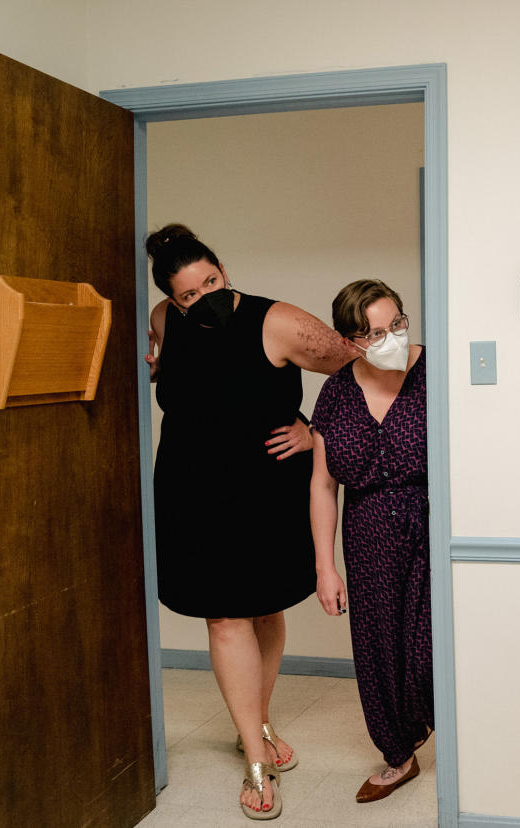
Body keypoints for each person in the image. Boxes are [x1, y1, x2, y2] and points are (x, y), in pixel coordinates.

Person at [145, 224, 353, 820]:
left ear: (224, 269)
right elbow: (185, 378)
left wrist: (315, 432)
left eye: (211, 280)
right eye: (189, 293)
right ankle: (257, 760)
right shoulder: (162, 319)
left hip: (265, 488)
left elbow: (361, 369)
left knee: (264, 608)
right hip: (191, 489)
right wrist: (163, 372)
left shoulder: (279, 321)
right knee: (225, 615)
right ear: (172, 297)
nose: (202, 296)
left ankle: (254, 723)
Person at [309, 279, 434, 804]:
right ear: (351, 341)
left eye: (397, 324)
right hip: (367, 537)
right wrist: (325, 567)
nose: (391, 339)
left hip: (431, 524)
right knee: (379, 650)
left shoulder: (436, 372)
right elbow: (322, 484)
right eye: (375, 333)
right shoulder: (336, 394)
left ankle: (442, 731)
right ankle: (398, 756)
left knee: (432, 646)